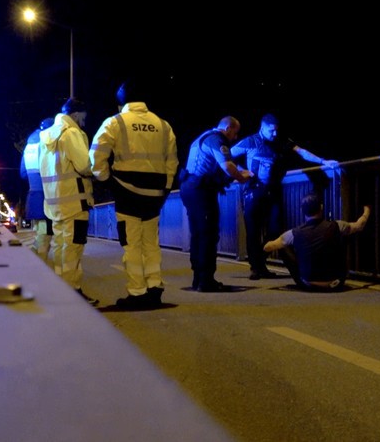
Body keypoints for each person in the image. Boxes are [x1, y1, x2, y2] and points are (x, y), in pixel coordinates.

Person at [90, 80, 178, 309]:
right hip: (154, 193)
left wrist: (106, 179)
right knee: (151, 243)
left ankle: (137, 292)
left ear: (121, 102)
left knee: (131, 243)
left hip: (126, 191)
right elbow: (172, 161)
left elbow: (96, 156)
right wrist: (166, 188)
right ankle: (155, 286)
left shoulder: (115, 122)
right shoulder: (163, 124)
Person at [231, 113, 339, 280]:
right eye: (271, 131)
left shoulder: (281, 141)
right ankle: (256, 268)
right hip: (253, 190)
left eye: (276, 131)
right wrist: (240, 170)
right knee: (253, 231)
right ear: (262, 128)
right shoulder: (250, 141)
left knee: (275, 229)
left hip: (273, 191)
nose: (274, 134)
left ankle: (259, 261)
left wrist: (322, 161)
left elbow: (301, 152)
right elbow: (227, 156)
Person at [179, 116, 251, 292]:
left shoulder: (203, 137)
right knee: (208, 235)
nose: (235, 137)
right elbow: (227, 165)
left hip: (190, 187)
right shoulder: (217, 139)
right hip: (200, 190)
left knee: (198, 235)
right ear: (227, 128)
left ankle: (198, 278)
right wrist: (242, 177)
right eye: (235, 133)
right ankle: (206, 280)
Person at [38, 98, 98, 305]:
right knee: (74, 247)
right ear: (75, 115)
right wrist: (97, 169)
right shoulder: (71, 133)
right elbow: (84, 166)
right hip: (76, 202)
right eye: (83, 116)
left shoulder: (46, 138)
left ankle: (62, 291)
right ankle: (72, 294)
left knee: (61, 247)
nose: (85, 120)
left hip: (55, 203)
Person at [263, 193, 370, 291]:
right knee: (344, 234)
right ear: (321, 207)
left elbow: (268, 247)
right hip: (336, 283)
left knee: (283, 245)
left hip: (307, 284)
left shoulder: (294, 233)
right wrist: (367, 210)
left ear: (302, 210)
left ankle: (306, 272)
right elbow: (359, 225)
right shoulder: (336, 226)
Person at [20, 117, 55, 263]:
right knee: (45, 236)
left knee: (42, 233)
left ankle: (32, 260)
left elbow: (22, 173)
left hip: (33, 195)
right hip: (47, 195)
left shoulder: (29, 146)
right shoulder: (47, 143)